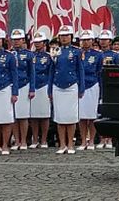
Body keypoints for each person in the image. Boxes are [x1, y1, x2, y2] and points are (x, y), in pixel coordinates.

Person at [49, 25, 84, 155]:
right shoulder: (55, 50)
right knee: (60, 116)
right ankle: (62, 144)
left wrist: (82, 87)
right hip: (57, 86)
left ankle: (70, 144)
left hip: (72, 85)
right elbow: (51, 71)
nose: (64, 38)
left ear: (71, 37)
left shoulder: (76, 51)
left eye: (66, 36)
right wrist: (49, 90)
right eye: (62, 36)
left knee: (71, 116)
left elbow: (80, 70)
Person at [0, 29, 18, 155]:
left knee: (6, 118)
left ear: (3, 41)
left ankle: (5, 145)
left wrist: (15, 92)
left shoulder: (9, 56)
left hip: (5, 88)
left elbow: (14, 74)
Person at [10, 29, 35, 150]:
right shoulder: (9, 54)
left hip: (24, 84)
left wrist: (32, 89)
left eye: (18, 39)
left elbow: (32, 73)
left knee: (23, 115)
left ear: (23, 40)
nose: (16, 42)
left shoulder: (29, 54)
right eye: (14, 40)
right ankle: (17, 140)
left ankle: (24, 140)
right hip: (11, 86)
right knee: (14, 115)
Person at [78, 30, 103, 150]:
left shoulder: (97, 55)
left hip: (93, 84)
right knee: (82, 116)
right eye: (83, 40)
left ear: (92, 41)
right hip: (79, 86)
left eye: (88, 40)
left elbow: (99, 71)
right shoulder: (77, 53)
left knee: (92, 115)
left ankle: (92, 140)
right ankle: (83, 140)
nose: (86, 42)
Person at [29, 31, 53, 148]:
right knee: (33, 115)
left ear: (44, 43)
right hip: (33, 86)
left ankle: (43, 139)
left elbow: (51, 72)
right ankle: (35, 139)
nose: (37, 44)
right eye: (36, 42)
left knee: (44, 115)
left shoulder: (49, 56)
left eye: (40, 42)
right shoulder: (30, 55)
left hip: (44, 85)